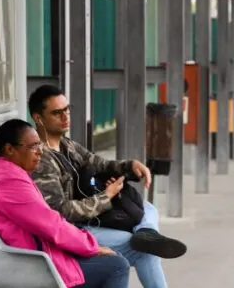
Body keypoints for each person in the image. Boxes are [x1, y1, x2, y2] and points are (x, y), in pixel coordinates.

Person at [28, 85, 187, 288]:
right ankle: (145, 236)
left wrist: (130, 166)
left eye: (67, 109)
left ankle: (147, 233)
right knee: (144, 250)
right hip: (75, 229)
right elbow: (60, 212)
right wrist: (106, 197)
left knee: (148, 209)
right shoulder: (41, 160)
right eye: (57, 112)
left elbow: (99, 163)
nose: (65, 116)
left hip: (94, 216)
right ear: (39, 118)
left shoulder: (67, 145)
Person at [0, 119, 130, 288]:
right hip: (34, 264)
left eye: (40, 145)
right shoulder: (9, 181)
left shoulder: (6, 172)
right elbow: (50, 225)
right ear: (9, 149)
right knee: (117, 266)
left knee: (112, 257)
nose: (40, 152)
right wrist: (91, 246)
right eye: (33, 146)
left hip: (36, 254)